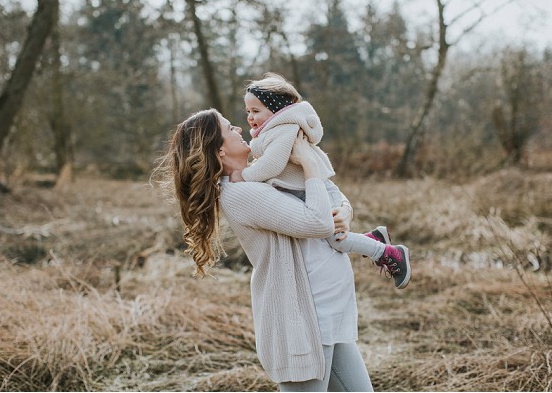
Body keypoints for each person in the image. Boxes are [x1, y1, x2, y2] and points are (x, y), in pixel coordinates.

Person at [158, 109, 373, 391]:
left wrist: (345, 210)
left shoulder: (259, 176)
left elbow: (322, 195)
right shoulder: (242, 194)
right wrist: (309, 164)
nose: (239, 129)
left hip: (326, 314)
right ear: (220, 150)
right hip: (302, 323)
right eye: (229, 128)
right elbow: (318, 222)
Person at [241, 73, 411, 289]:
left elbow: (272, 165)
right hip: (311, 190)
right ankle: (374, 238)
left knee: (337, 241)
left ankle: (388, 252)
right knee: (334, 237)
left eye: (256, 111)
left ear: (276, 110)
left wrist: (243, 177)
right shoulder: (273, 130)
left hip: (319, 189)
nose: (250, 117)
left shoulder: (284, 129)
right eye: (248, 111)